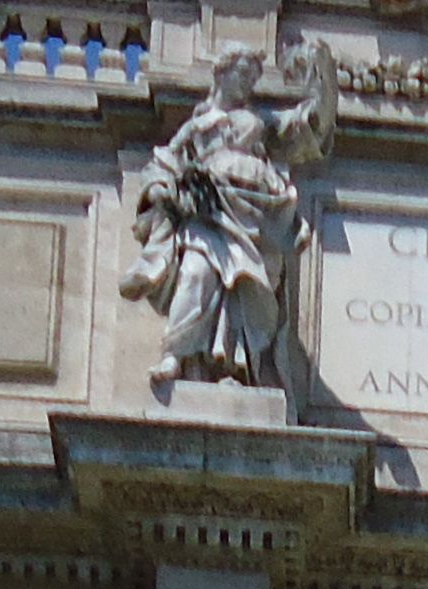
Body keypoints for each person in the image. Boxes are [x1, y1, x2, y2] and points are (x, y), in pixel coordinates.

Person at [123, 48, 334, 390]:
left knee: (244, 289)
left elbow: (305, 126)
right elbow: (162, 163)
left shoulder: (260, 122)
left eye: (253, 77)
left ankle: (235, 368)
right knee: (195, 274)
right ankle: (176, 355)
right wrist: (162, 190)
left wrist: (324, 81)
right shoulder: (197, 125)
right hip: (209, 212)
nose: (249, 83)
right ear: (221, 73)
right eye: (243, 74)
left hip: (256, 215)